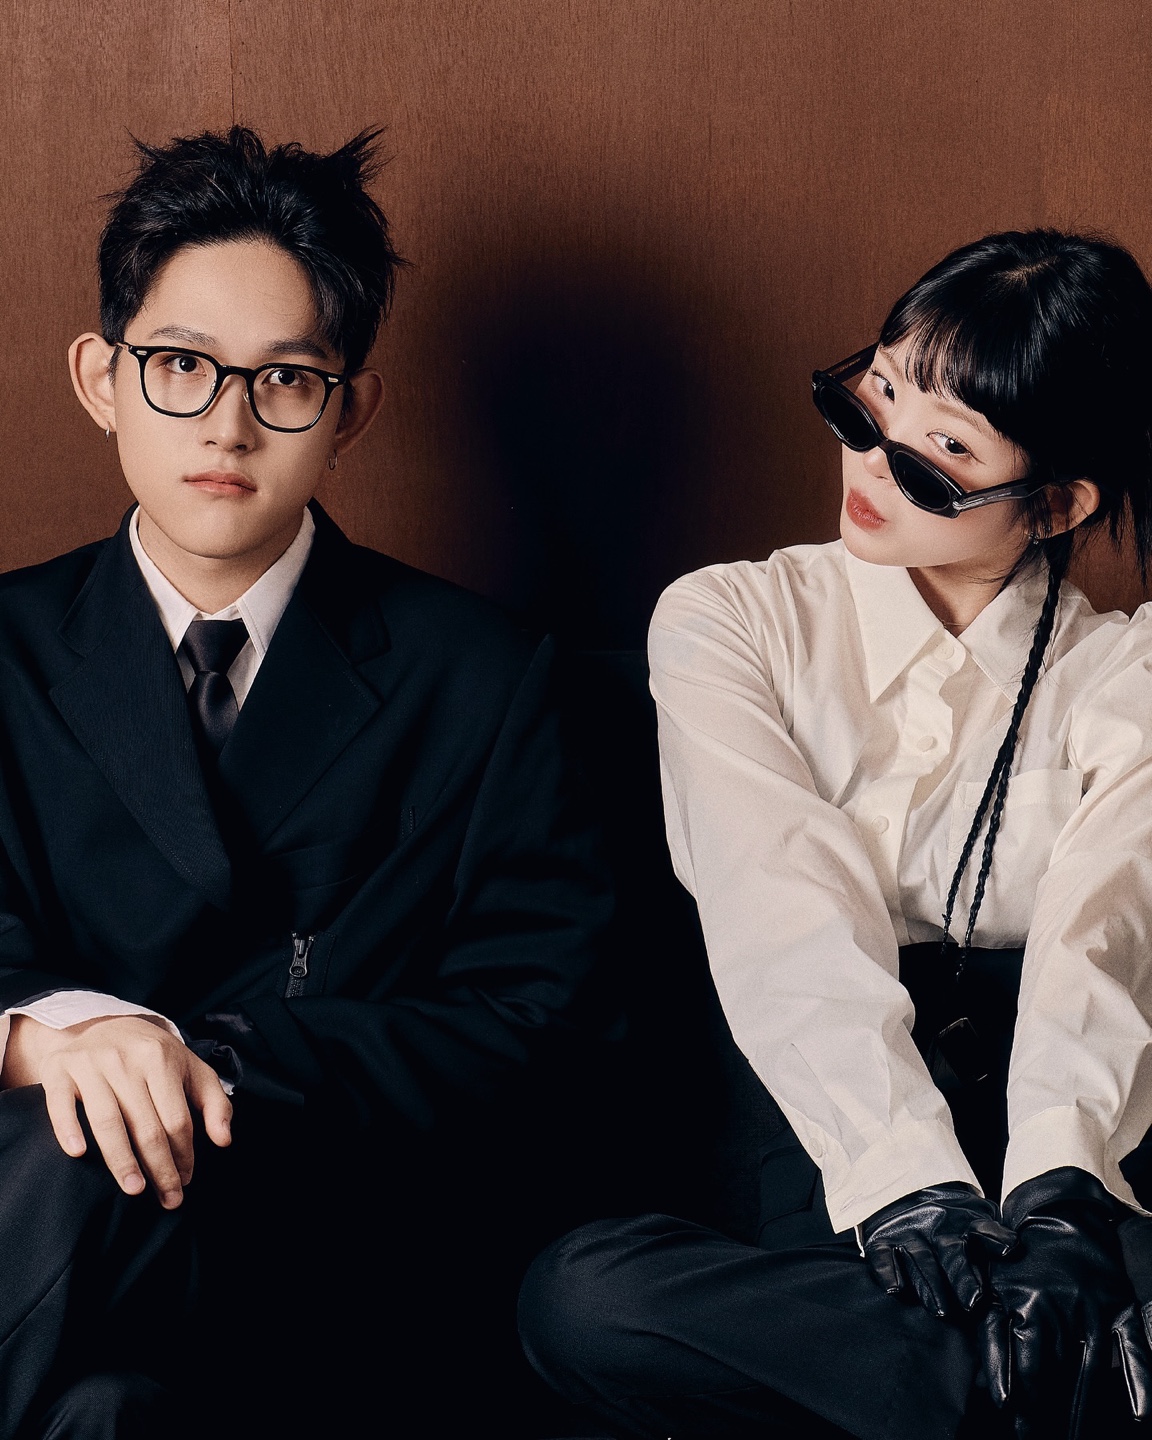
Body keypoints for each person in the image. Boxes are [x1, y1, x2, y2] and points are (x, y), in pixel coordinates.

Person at [0, 127, 610, 1439]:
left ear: (351, 412)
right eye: (180, 367)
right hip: (65, 1246)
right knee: (101, 1408)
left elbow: (536, 1022)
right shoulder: (0, 651)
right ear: (101, 378)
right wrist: (61, 1039)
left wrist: (212, 1058)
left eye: (284, 379)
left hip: (322, 1246)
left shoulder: (483, 677)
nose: (227, 424)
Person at [518, 229, 1152, 1440]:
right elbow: (779, 905)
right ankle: (1070, 1388)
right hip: (820, 1151)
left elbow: (1102, 937)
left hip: (1070, 1152)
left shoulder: (1126, 676)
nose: (873, 459)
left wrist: (1061, 1199)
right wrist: (910, 1184)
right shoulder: (733, 622)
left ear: (1057, 502)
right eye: (878, 396)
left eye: (945, 453)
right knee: (586, 1299)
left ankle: (997, 1375)